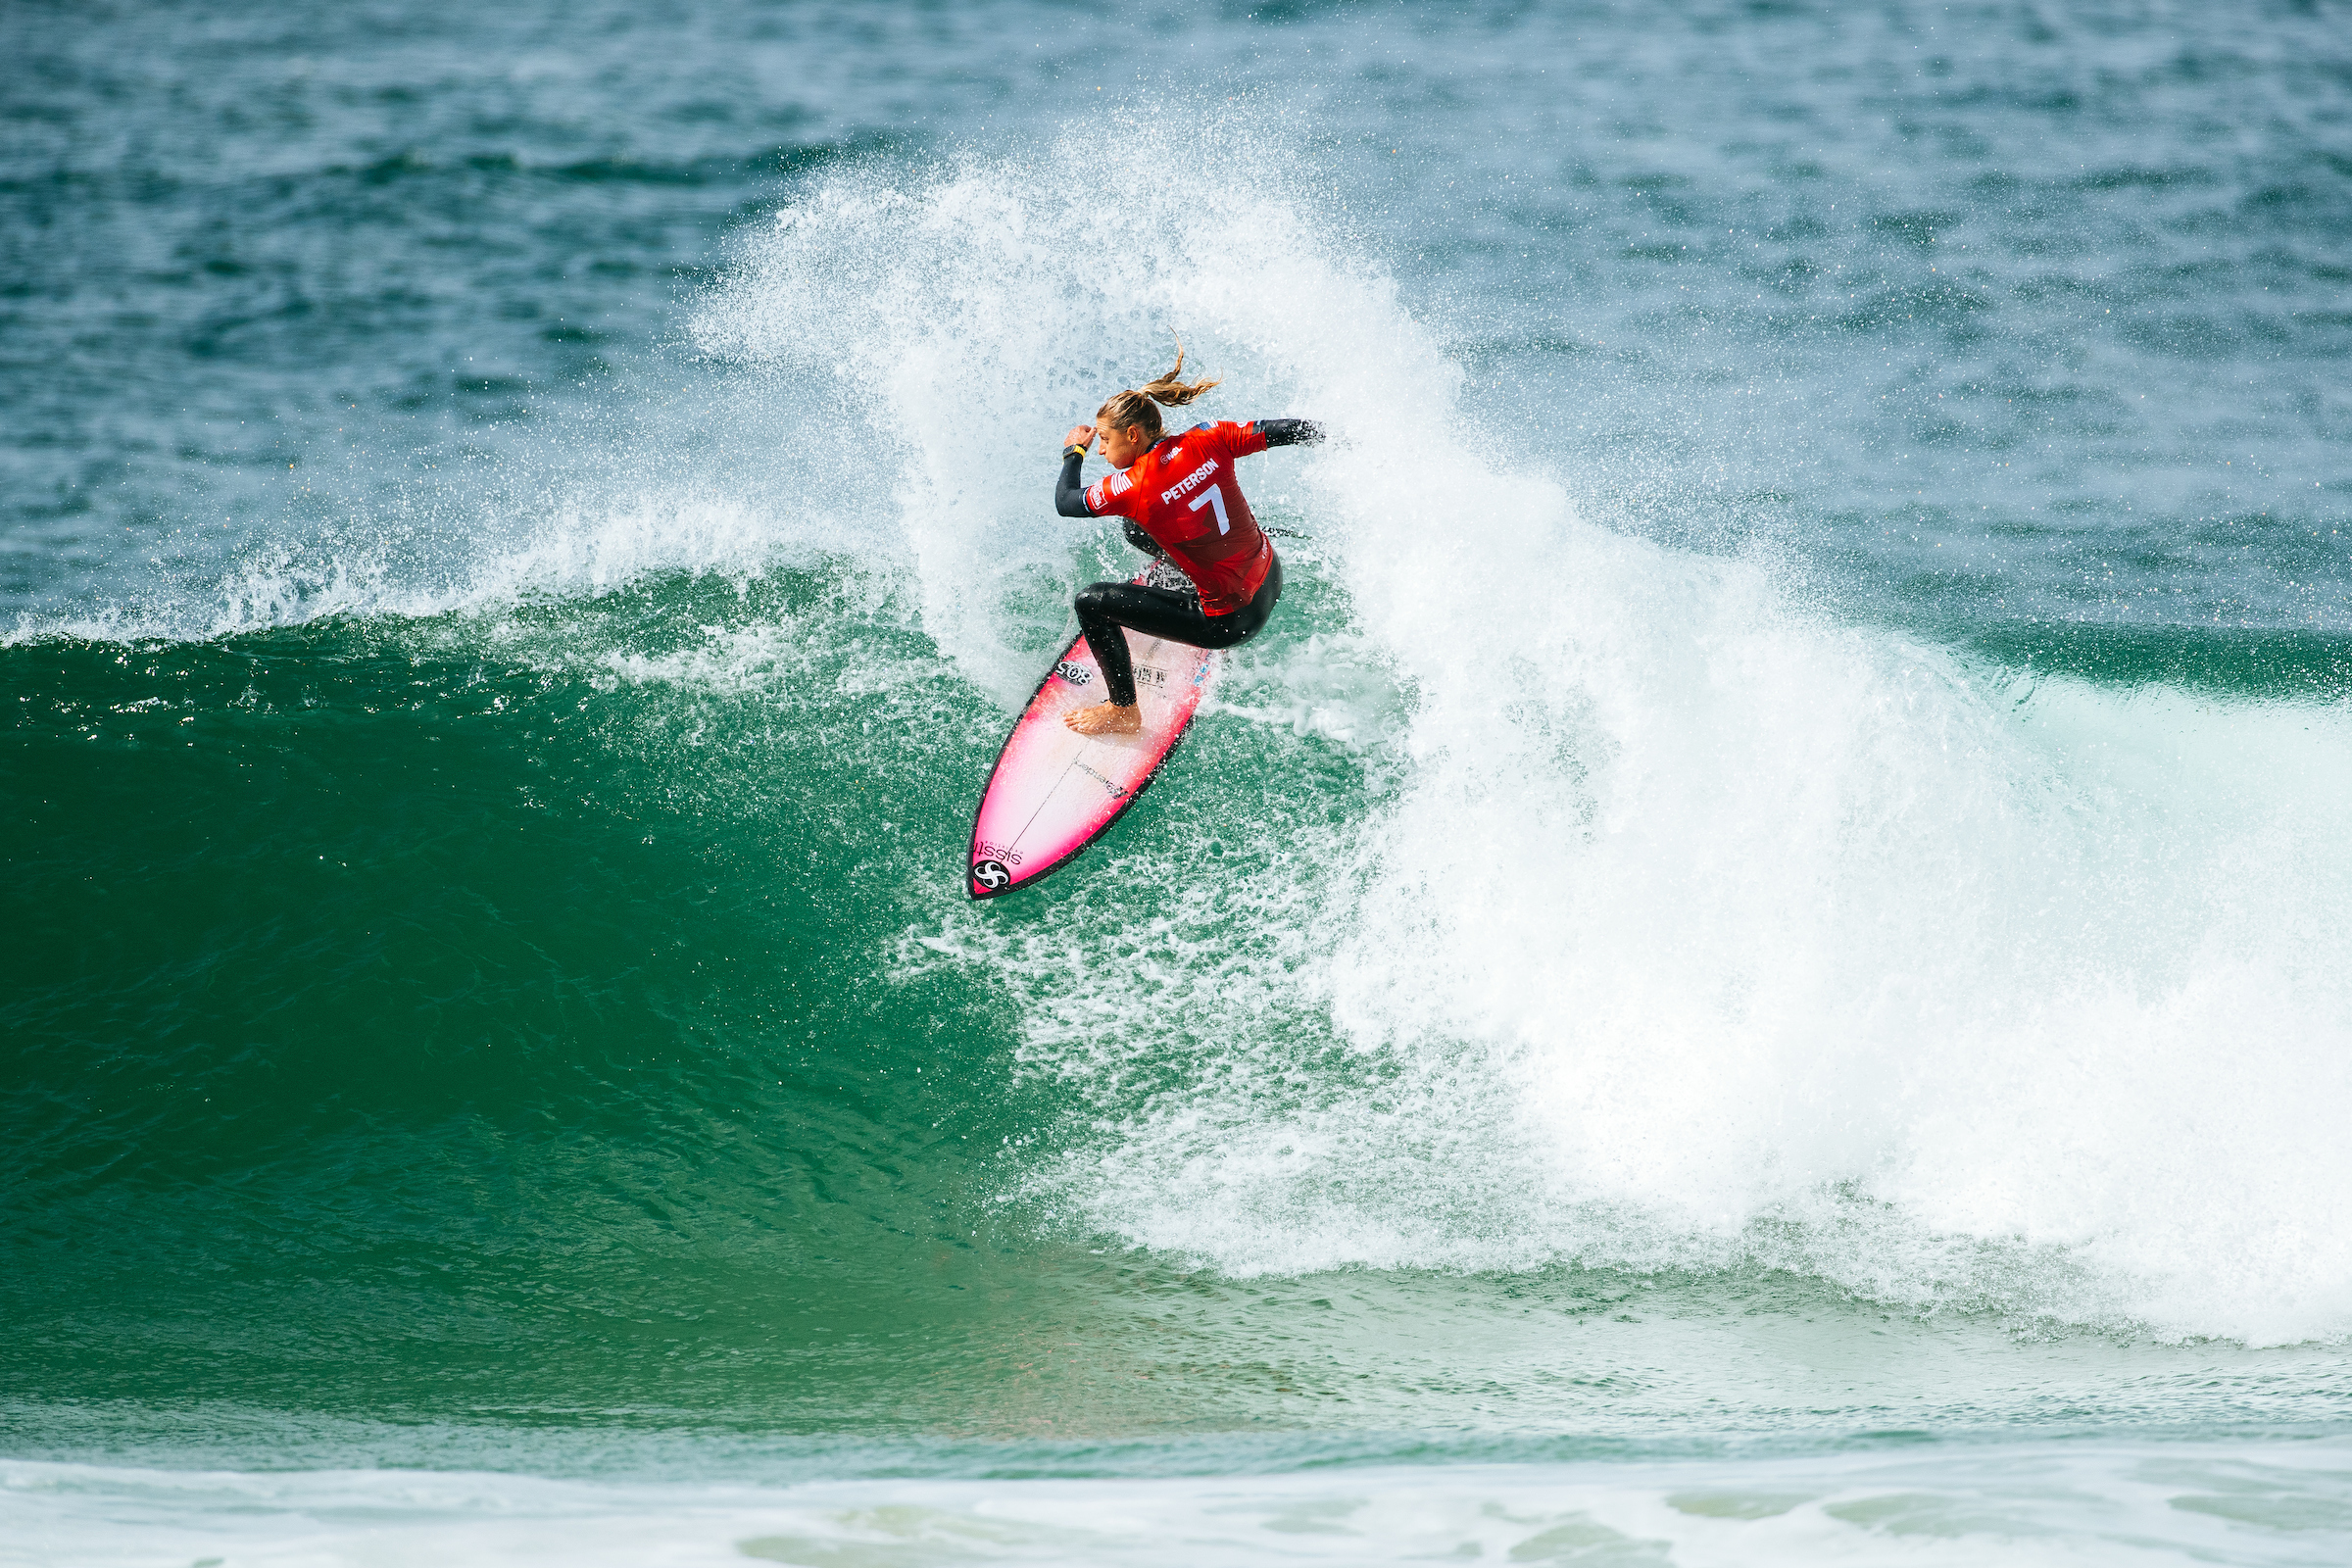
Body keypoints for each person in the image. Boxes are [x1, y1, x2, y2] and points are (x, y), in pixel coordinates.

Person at [1053, 342, 1323, 735]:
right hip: (1270, 576)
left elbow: (1066, 502)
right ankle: (1189, 577)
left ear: (1132, 434)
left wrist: (1073, 451)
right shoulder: (1208, 436)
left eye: (1105, 441)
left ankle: (1123, 711)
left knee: (1091, 602)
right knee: (1135, 528)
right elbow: (1287, 430)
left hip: (1230, 622)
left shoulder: (1132, 485)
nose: (1102, 451)